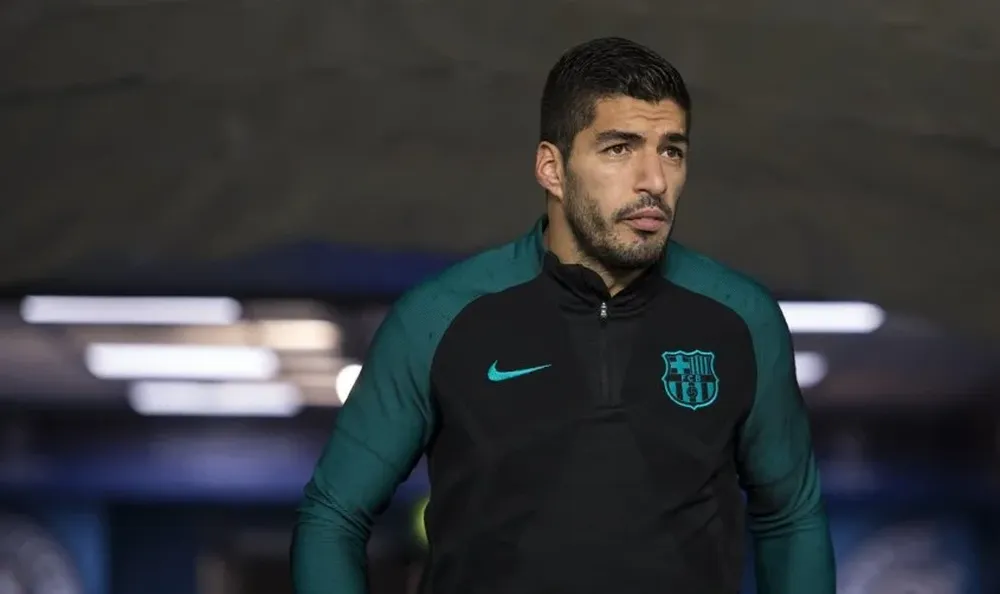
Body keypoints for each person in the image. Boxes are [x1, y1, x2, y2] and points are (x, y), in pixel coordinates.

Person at [292, 36, 836, 594]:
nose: (654, 181)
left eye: (671, 150)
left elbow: (790, 516)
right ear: (551, 169)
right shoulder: (440, 317)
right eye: (619, 148)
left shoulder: (741, 318)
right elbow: (334, 515)